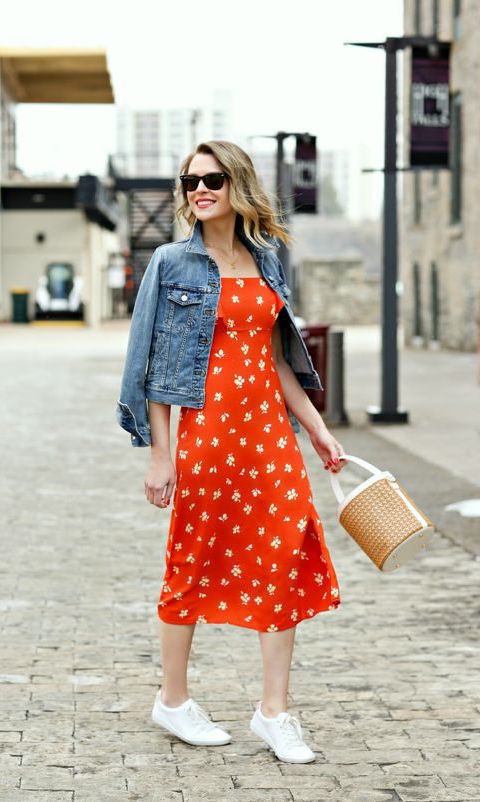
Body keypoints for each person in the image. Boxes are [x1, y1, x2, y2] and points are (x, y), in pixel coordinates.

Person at [117, 140, 347, 764]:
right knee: (191, 557)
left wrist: (318, 431)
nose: (199, 190)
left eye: (212, 178)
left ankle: (275, 712)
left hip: (269, 437)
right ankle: (172, 698)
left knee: (284, 552)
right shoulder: (170, 262)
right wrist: (159, 453)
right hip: (206, 435)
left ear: (237, 183)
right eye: (189, 180)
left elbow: (277, 363)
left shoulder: (266, 260)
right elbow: (150, 368)